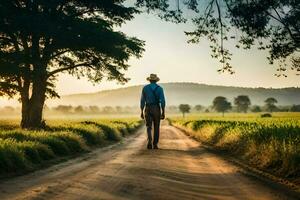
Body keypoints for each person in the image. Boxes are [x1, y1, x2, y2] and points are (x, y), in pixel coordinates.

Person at [140, 74, 166, 149]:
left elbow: (142, 101)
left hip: (148, 108)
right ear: (156, 80)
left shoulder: (145, 88)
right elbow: (162, 101)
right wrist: (163, 112)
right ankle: (155, 144)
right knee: (156, 126)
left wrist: (141, 111)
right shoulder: (160, 89)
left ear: (150, 80)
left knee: (148, 126)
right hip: (156, 108)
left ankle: (149, 142)